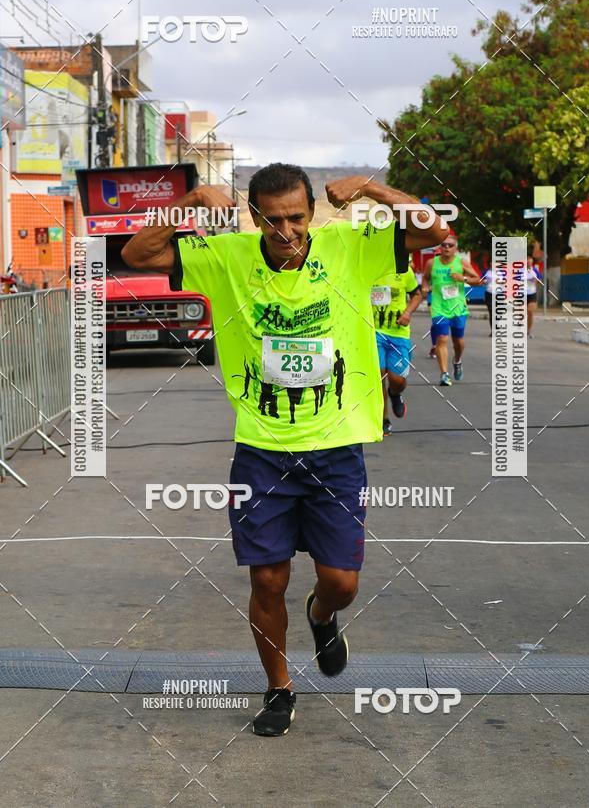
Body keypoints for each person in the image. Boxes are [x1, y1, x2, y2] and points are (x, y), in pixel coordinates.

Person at [122, 164, 445, 736]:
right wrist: (190, 199)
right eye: (275, 221)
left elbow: (435, 231)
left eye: (298, 217)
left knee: (342, 583)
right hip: (262, 451)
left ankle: (321, 618)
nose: (288, 230)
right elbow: (137, 256)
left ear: (312, 213)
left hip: (337, 448)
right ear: (254, 217)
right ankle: (278, 689)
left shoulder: (351, 246)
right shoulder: (228, 257)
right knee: (267, 580)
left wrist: (371, 188)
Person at [422, 233, 479, 386]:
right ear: (440, 247)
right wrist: (425, 287)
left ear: (456, 248)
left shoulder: (462, 263)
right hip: (439, 307)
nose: (446, 248)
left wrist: (463, 279)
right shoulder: (431, 263)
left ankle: (457, 360)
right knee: (442, 338)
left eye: (450, 245)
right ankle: (444, 374)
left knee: (458, 342)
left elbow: (479, 280)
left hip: (458, 307)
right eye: (444, 245)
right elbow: (426, 277)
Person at [371, 266, 422, 434]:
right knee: (379, 375)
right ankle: (383, 419)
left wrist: (407, 313)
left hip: (398, 333)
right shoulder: (369, 267)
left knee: (397, 379)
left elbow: (417, 294)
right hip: (374, 331)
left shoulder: (404, 271)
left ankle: (395, 393)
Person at [526, 255, 542, 337]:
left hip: (532, 293)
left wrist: (536, 280)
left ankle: (529, 331)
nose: (528, 261)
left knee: (530, 312)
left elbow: (539, 280)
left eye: (530, 260)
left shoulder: (535, 270)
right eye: (527, 260)